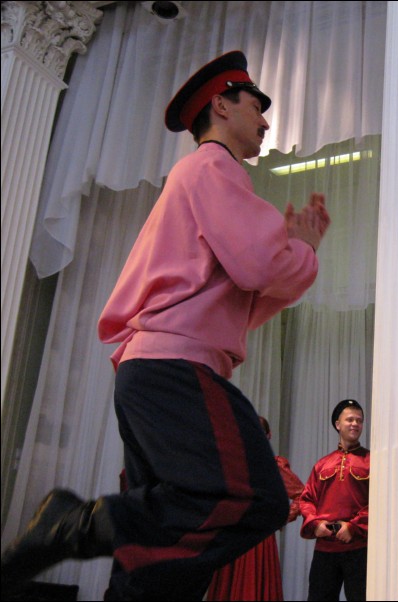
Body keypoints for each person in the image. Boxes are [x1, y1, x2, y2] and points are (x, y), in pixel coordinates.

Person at [1, 50, 330, 600]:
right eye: (256, 105)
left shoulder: (201, 176)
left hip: (154, 369)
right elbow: (261, 267)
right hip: (173, 367)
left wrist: (296, 253)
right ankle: (73, 524)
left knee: (160, 558)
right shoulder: (212, 167)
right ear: (222, 104)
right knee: (254, 497)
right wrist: (303, 251)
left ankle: (84, 530)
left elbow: (249, 297)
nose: (267, 121)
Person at [207, 417, 306, 601]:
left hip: (257, 542)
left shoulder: (273, 466)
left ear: (268, 436)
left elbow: (303, 495)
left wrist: (277, 518)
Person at [299, 399, 369, 601]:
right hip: (325, 548)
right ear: (337, 424)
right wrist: (315, 524)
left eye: (359, 420)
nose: (355, 424)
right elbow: (307, 499)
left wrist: (353, 527)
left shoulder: (372, 461)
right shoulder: (322, 464)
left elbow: (379, 504)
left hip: (359, 548)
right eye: (350, 419)